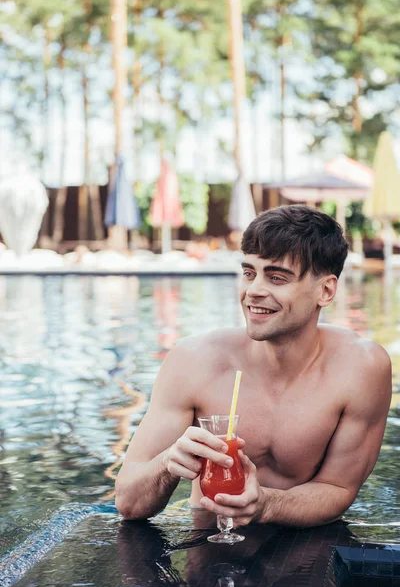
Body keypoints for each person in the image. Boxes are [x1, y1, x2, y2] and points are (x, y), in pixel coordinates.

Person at [115, 205, 392, 527]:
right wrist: (167, 462)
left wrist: (265, 505)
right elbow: (129, 502)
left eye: (276, 278)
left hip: (302, 546)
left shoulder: (360, 367)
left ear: (325, 290)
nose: (254, 291)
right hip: (209, 542)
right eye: (249, 273)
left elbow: (337, 488)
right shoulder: (194, 361)